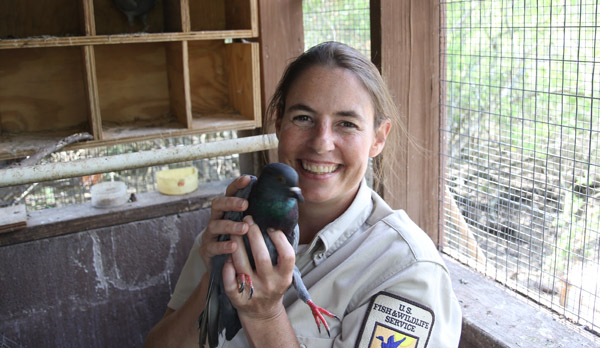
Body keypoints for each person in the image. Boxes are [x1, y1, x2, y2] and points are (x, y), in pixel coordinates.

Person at [145, 41, 462, 348]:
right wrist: (216, 279)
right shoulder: (234, 224)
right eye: (303, 118)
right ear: (279, 123)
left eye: (347, 124)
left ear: (378, 138)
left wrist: (266, 316)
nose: (322, 143)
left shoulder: (405, 269)